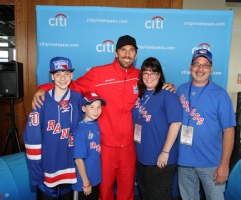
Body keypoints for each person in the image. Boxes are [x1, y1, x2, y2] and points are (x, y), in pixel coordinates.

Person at [32, 35, 174, 200]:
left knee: (126, 192)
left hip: (130, 147)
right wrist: (44, 88)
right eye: (123, 50)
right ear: (116, 53)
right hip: (105, 146)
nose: (127, 54)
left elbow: (154, 89)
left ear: (136, 54)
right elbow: (72, 86)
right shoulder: (98, 74)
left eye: (131, 51)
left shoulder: (141, 76)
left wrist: (167, 86)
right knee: (104, 191)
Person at [177, 49, 236, 200]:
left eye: (205, 65)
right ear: (191, 67)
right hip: (184, 161)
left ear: (211, 69)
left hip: (211, 164)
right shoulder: (181, 90)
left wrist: (224, 165)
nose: (200, 69)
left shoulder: (220, 95)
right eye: (197, 64)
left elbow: (229, 131)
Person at [24, 56, 83, 200]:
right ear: (51, 76)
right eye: (58, 74)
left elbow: (82, 132)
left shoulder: (78, 99)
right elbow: (32, 140)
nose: (62, 78)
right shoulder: (41, 101)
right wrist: (36, 172)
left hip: (70, 170)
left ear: (72, 75)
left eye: (66, 73)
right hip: (47, 171)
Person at [132, 57, 182, 200]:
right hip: (142, 158)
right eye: (146, 73)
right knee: (145, 194)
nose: (149, 77)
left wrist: (165, 152)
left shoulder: (168, 94)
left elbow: (176, 123)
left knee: (158, 195)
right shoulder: (140, 96)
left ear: (159, 75)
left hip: (160, 159)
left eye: (153, 73)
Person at [72, 92, 106, 200]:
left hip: (95, 178)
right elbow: (78, 159)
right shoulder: (81, 130)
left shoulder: (95, 123)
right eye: (92, 107)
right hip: (83, 183)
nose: (96, 111)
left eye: (99, 107)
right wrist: (85, 182)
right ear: (83, 108)